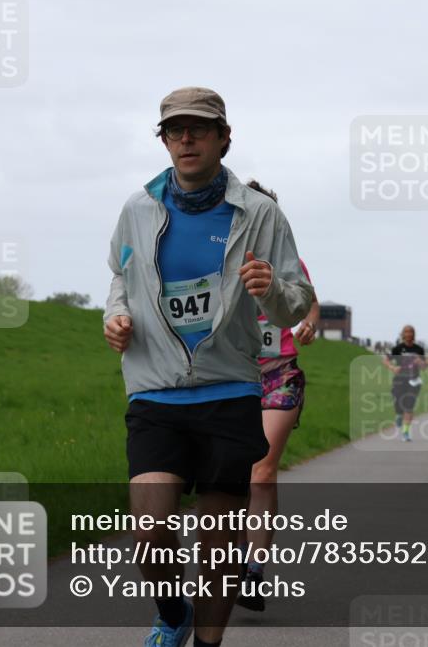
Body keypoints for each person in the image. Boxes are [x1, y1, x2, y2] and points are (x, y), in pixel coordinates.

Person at [103, 87, 313, 647]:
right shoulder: (137, 209)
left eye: (199, 128)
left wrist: (271, 292)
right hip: (155, 391)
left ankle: (207, 642)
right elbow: (121, 280)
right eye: (176, 130)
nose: (187, 138)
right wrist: (116, 318)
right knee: (149, 531)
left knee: (219, 547)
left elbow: (298, 299)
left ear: (224, 137)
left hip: (229, 391)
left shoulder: (259, 213)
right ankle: (174, 612)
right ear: (165, 139)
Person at [237, 180, 320, 612]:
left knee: (262, 470)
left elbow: (310, 300)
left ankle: (254, 570)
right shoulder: (223, 261)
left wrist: (309, 323)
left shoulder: (289, 262)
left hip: (280, 375)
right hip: (232, 378)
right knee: (228, 476)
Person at [383, 325, 428, 442]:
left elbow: (425, 366)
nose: (409, 334)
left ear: (414, 334)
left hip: (414, 381)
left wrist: (421, 363)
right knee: (398, 402)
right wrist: (392, 367)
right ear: (403, 334)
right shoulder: (398, 348)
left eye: (411, 332)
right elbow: (385, 359)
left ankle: (405, 432)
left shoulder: (419, 349)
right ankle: (398, 414)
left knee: (409, 407)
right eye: (406, 332)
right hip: (399, 380)